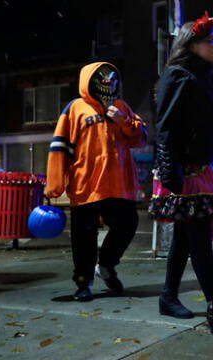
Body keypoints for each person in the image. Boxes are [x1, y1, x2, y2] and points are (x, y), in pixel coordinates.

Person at [148, 12, 213, 333]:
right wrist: (170, 171)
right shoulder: (178, 75)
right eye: (210, 41)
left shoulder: (209, 78)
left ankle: (167, 297)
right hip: (184, 170)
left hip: (204, 168)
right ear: (191, 44)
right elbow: (165, 128)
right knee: (199, 236)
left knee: (184, 236)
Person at [45, 62, 147, 302]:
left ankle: (107, 265)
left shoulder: (122, 107)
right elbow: (59, 147)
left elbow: (141, 139)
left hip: (119, 185)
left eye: (112, 80)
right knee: (84, 238)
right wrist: (55, 185)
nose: (108, 84)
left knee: (128, 224)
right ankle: (83, 283)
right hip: (86, 186)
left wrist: (123, 121)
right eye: (103, 80)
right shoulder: (74, 109)